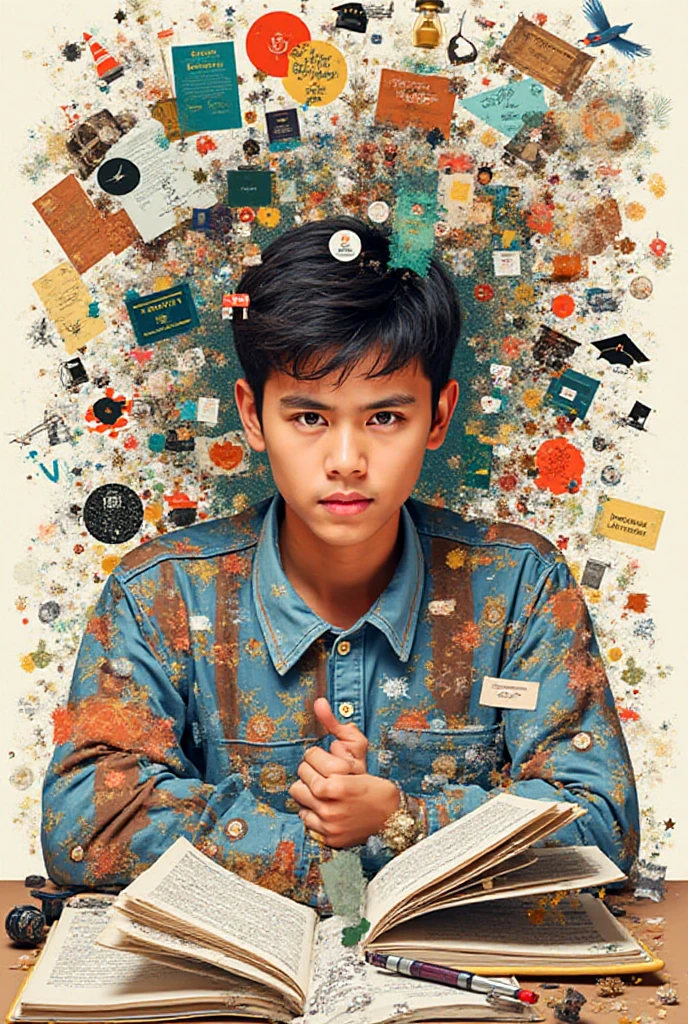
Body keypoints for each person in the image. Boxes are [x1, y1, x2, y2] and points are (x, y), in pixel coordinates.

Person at [41, 216, 639, 908]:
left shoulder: (522, 587)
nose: (348, 460)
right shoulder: (159, 593)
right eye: (309, 418)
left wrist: (401, 820)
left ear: (439, 416)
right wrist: (325, 850)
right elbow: (87, 820)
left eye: (384, 418)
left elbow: (602, 823)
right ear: (253, 416)